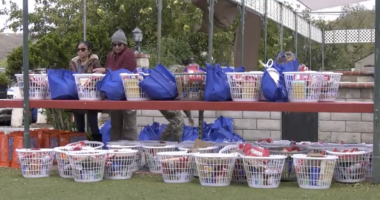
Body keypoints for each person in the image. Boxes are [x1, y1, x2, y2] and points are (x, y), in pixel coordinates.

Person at [93, 29, 138, 141]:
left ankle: (132, 152)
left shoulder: (129, 54)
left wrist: (106, 70)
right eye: (114, 44)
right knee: (115, 125)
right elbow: (110, 74)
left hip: (128, 94)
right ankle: (115, 152)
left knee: (129, 126)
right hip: (114, 96)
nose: (117, 47)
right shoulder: (110, 55)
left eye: (120, 44)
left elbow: (126, 72)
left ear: (125, 44)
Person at [69, 41, 103, 142]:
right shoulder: (73, 63)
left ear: (89, 51)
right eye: (78, 49)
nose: (80, 52)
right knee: (79, 123)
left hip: (91, 94)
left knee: (93, 122)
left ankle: (97, 144)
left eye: (83, 49)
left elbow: (99, 77)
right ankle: (81, 144)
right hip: (78, 95)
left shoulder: (94, 62)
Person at [159, 59, 196, 142]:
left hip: (169, 99)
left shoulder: (187, 78)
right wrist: (189, 115)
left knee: (176, 121)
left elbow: (183, 98)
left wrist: (189, 115)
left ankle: (163, 141)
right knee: (178, 120)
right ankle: (175, 144)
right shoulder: (178, 72)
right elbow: (180, 93)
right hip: (165, 98)